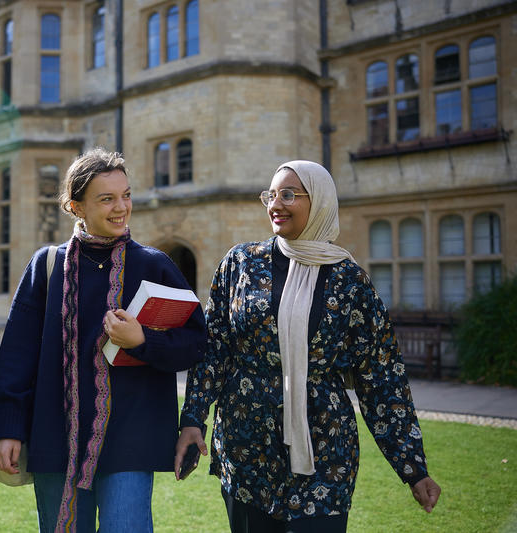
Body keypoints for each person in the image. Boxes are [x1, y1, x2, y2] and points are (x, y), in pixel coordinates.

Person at [175, 161, 441, 533]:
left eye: (288, 194)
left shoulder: (350, 282)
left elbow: (381, 377)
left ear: (319, 203)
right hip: (246, 446)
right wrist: (193, 420)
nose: (275, 204)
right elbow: (215, 351)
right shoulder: (240, 264)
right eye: (271, 195)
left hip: (324, 450)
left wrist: (413, 467)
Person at [0, 148, 207, 533]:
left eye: (126, 195)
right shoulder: (46, 266)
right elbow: (16, 357)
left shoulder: (155, 265)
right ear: (76, 206)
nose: (121, 207)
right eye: (106, 198)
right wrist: (9, 428)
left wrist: (141, 340)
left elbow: (194, 345)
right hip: (55, 438)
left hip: (131, 440)